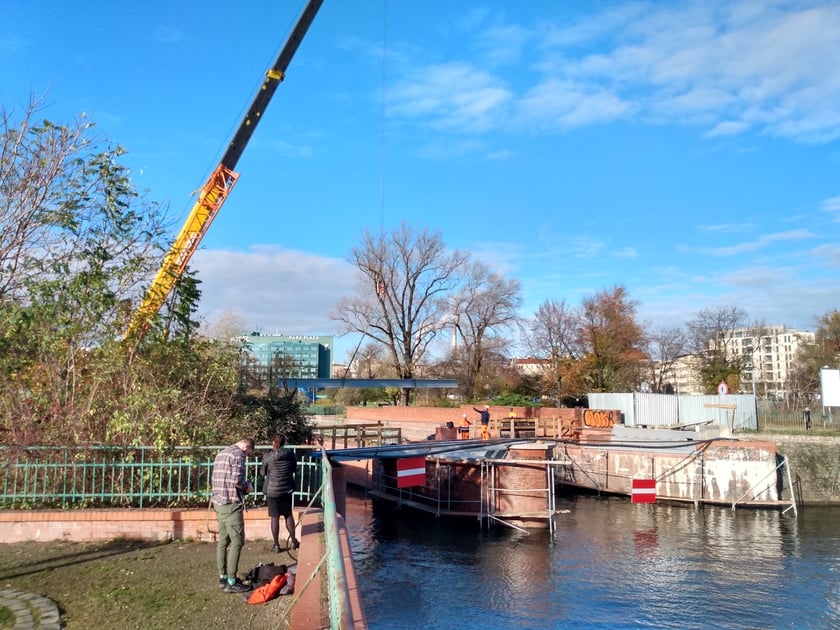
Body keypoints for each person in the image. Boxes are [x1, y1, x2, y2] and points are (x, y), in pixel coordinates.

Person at [212, 438, 255, 593]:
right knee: (237, 542)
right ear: (247, 447)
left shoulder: (222, 453)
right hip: (231, 504)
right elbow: (236, 480)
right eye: (249, 453)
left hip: (218, 503)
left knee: (223, 541)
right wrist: (247, 486)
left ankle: (222, 577)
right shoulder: (238, 455)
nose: (247, 457)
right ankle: (232, 581)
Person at [261, 434, 300, 553]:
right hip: (286, 489)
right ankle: (293, 541)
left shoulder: (268, 456)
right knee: (288, 514)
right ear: (284, 443)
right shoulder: (290, 454)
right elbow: (294, 469)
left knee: (274, 517)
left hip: (272, 490)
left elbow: (262, 473)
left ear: (273, 442)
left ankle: (276, 545)